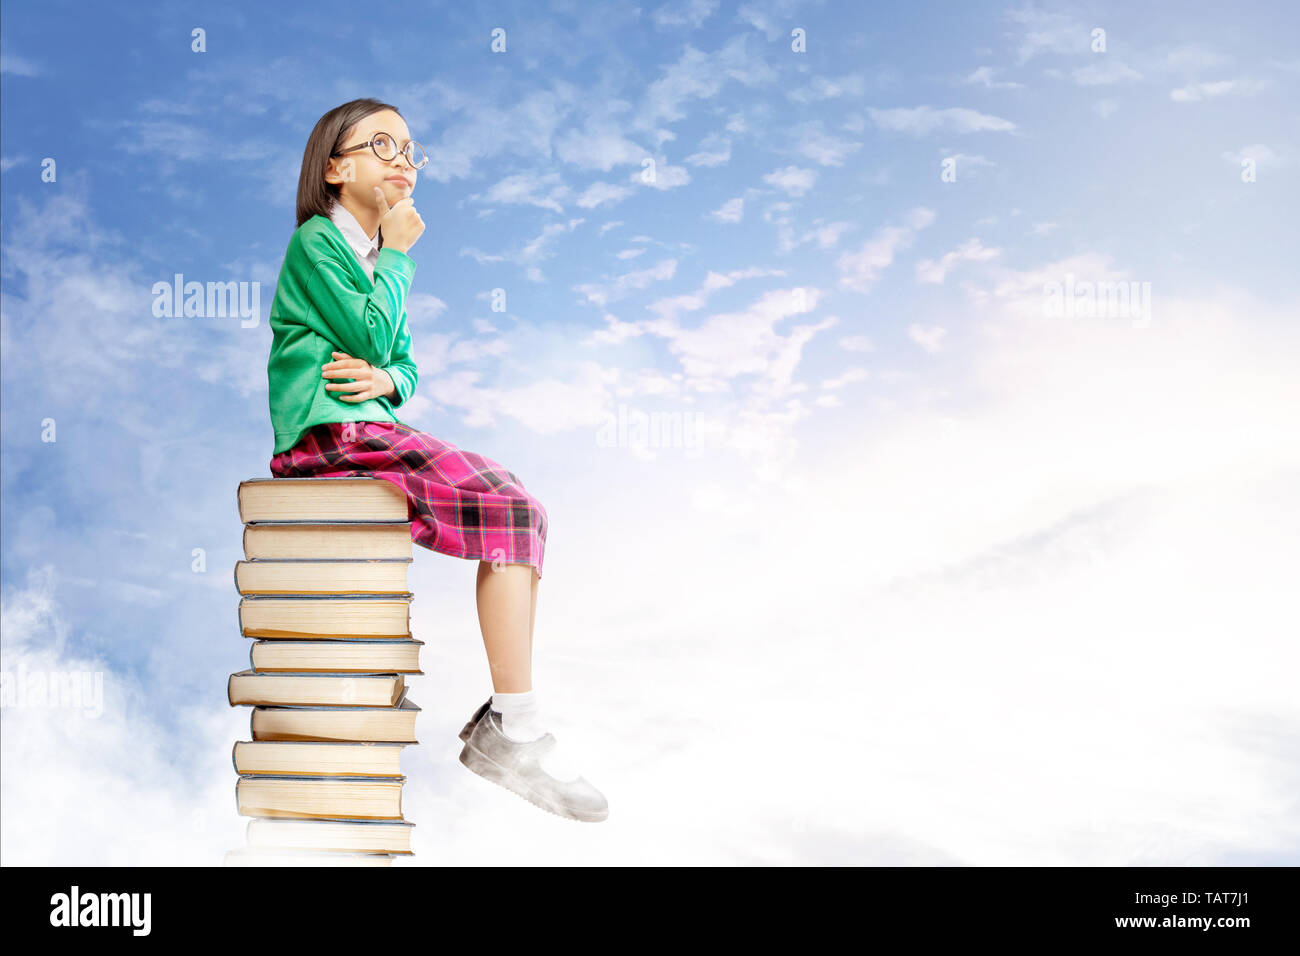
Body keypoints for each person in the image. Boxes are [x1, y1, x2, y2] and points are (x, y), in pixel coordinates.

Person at [265, 97, 607, 823]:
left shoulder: (368, 258)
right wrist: (395, 258)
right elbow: (369, 328)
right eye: (382, 145)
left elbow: (403, 363)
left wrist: (388, 379)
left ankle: (510, 722)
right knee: (516, 511)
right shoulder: (319, 244)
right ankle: (512, 730)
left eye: (411, 149)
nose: (403, 161)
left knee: (519, 511)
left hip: (370, 430)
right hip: (331, 439)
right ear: (335, 167)